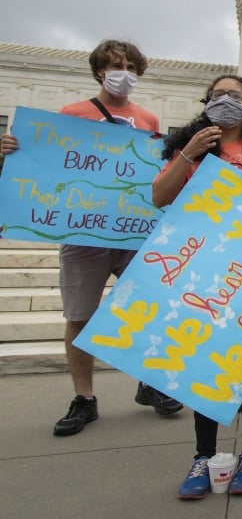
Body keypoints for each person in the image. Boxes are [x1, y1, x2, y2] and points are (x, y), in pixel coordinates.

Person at [0, 39, 183, 436]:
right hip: (83, 234)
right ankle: (85, 397)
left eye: (132, 67)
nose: (125, 74)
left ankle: (149, 383)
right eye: (117, 66)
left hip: (134, 233)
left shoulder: (149, 120)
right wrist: (13, 150)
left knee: (146, 311)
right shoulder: (71, 114)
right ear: (100, 70)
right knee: (79, 316)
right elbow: (47, 162)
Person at [153, 75, 242, 499]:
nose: (225, 101)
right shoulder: (191, 147)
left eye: (234, 96)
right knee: (201, 361)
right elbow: (159, 196)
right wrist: (189, 155)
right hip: (200, 266)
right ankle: (203, 455)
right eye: (217, 95)